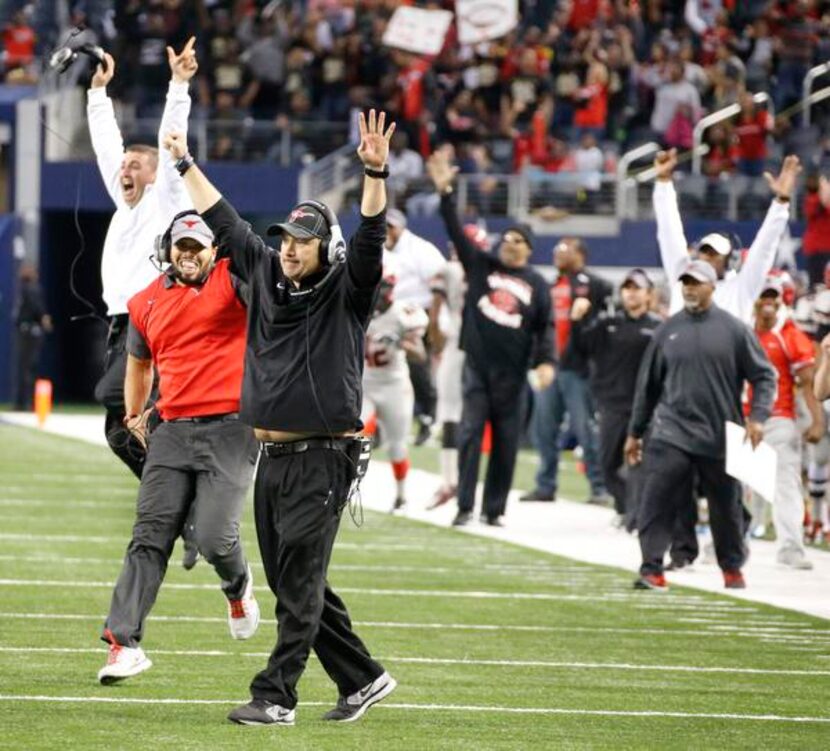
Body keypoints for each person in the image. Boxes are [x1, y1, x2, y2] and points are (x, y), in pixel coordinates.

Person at [163, 109, 397, 726]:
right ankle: (363, 678)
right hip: (272, 456)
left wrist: (375, 172)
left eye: (302, 241)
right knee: (294, 577)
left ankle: (276, 694)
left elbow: (371, 235)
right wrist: (184, 162)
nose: (289, 249)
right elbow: (224, 220)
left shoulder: (349, 292)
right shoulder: (266, 272)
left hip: (324, 454)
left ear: (327, 249)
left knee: (299, 579)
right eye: (286, 239)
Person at [97, 212, 260, 684]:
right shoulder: (145, 301)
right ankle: (123, 644)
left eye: (198, 246)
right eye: (181, 246)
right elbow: (138, 363)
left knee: (212, 536)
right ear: (167, 248)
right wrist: (133, 414)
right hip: (172, 427)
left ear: (215, 251)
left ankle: (237, 584)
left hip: (232, 427)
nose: (189, 255)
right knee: (149, 535)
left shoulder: (235, 281)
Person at [625, 259, 776, 591]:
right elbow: (647, 386)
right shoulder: (667, 329)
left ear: (712, 286)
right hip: (670, 431)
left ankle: (732, 566)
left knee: (726, 506)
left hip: (721, 433)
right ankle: (651, 567)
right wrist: (635, 432)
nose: (690, 288)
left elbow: (765, 376)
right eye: (685, 283)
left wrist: (759, 417)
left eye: (696, 282)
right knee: (656, 498)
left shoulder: (734, 330)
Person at [427, 149, 556, 527]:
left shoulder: (537, 284)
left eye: (519, 240)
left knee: (506, 444)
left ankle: (494, 509)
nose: (510, 243)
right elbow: (454, 231)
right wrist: (446, 194)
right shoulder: (482, 266)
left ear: (529, 249)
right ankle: (465, 505)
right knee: (469, 435)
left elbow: (544, 326)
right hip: (478, 369)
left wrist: (547, 362)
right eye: (508, 238)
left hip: (514, 375)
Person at [87, 40, 197, 479]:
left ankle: (166, 415)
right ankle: (175, 494)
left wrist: (179, 86)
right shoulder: (125, 203)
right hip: (119, 322)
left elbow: (170, 144)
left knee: (110, 393)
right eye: (124, 166)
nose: (125, 170)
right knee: (118, 432)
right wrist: (97, 93)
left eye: (135, 165)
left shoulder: (165, 201)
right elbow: (105, 147)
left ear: (153, 174)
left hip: (150, 317)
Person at [653, 149, 798, 320]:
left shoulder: (742, 287)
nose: (707, 258)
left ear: (730, 261)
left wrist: (781, 202)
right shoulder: (682, 281)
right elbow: (669, 232)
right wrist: (663, 183)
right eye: (704, 252)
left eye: (715, 254)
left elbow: (765, 246)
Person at [522, 237, 613, 504]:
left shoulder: (595, 285)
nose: (558, 253)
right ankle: (545, 484)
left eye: (565, 249)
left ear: (580, 254)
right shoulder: (550, 286)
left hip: (579, 367)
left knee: (585, 428)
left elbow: (606, 326)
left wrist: (588, 317)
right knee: (543, 428)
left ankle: (599, 487)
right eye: (556, 249)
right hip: (549, 366)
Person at [570, 268, 662, 528]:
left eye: (637, 288)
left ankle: (636, 516)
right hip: (612, 403)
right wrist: (577, 321)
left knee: (639, 466)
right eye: (628, 288)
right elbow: (581, 348)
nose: (631, 293)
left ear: (648, 295)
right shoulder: (608, 324)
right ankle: (625, 508)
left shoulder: (658, 328)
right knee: (607, 463)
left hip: (644, 407)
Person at [750, 277, 823, 570]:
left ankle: (791, 546)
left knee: (787, 484)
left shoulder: (789, 335)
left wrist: (817, 421)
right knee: (728, 484)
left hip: (778, 418)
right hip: (740, 418)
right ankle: (721, 545)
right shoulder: (738, 329)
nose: (768, 303)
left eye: (773, 297)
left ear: (781, 301)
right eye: (763, 296)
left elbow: (807, 383)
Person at [427, 224, 489, 509]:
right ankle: (457, 481)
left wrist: (435, 336)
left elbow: (436, 305)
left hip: (457, 342)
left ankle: (450, 481)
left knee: (451, 413)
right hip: (475, 345)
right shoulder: (486, 270)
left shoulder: (451, 269)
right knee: (462, 414)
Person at [361, 270, 428, 512]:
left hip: (394, 385)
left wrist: (401, 343)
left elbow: (420, 355)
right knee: (354, 435)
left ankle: (401, 495)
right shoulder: (358, 307)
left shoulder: (404, 314)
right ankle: (347, 488)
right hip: (365, 383)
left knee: (397, 444)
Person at [384, 208, 447, 445]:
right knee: (382, 369)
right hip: (388, 317)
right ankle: (382, 423)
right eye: (384, 226)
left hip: (419, 316)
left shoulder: (420, 249)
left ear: (402, 227)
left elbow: (441, 285)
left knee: (417, 368)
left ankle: (428, 416)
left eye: (391, 226)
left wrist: (436, 322)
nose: (386, 231)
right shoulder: (378, 249)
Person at [13, 263, 52, 411]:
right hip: (25, 331)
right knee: (24, 368)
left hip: (29, 332)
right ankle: (21, 402)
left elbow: (38, 308)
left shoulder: (32, 289)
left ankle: (28, 403)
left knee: (28, 368)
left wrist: (43, 318)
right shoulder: (24, 288)